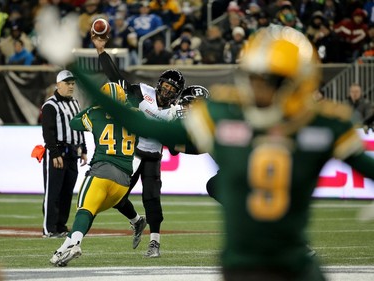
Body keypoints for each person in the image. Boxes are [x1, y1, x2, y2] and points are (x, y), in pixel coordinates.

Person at [76, 25, 374, 281]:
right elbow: (149, 124)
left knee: (201, 187)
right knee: (208, 185)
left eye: (267, 79)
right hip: (257, 262)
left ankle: (152, 234)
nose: (256, 86)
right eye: (254, 76)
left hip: (256, 261)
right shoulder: (324, 124)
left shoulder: (234, 119)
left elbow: (155, 130)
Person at [91, 34, 185, 258]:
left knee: (152, 199)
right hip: (131, 154)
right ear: (158, 84)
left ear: (177, 94)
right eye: (165, 86)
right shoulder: (142, 93)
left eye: (173, 89)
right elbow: (116, 79)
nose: (167, 91)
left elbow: (173, 147)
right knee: (115, 197)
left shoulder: (176, 112)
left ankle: (155, 242)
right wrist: (101, 52)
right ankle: (136, 221)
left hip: (152, 157)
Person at [49, 82, 146, 267]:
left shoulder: (95, 113)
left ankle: (75, 244)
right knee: (88, 213)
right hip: (124, 181)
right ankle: (62, 250)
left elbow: (74, 122)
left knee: (84, 211)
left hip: (102, 171)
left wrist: (94, 107)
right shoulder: (136, 115)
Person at [40, 70, 88, 238]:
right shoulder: (50, 105)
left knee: (67, 192)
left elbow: (80, 127)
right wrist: (54, 154)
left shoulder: (75, 103)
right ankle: (49, 228)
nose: (71, 86)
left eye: (73, 83)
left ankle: (60, 225)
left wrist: (84, 149)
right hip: (58, 151)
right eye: (68, 83)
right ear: (58, 84)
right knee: (53, 191)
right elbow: (48, 132)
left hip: (73, 152)